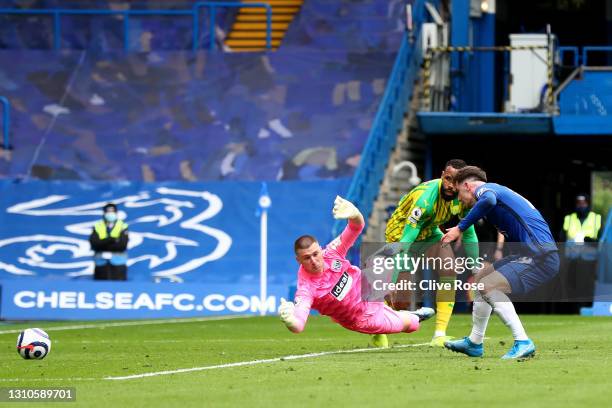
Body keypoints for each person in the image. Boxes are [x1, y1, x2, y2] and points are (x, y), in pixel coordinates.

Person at [279, 196, 434, 344]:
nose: (313, 260)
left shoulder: (332, 252)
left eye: (315, 254)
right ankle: (414, 315)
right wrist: (290, 321)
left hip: (368, 287)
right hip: (363, 318)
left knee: (386, 254)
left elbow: (356, 226)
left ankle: (386, 296)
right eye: (307, 258)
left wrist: (354, 213)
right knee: (410, 325)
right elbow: (298, 325)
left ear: (320, 249)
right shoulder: (306, 288)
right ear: (298, 260)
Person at [441, 166, 560, 359]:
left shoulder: (486, 191)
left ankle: (523, 341)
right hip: (528, 253)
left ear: (467, 186)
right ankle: (474, 342)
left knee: (488, 285)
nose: (458, 199)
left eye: (459, 193)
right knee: (480, 279)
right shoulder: (495, 193)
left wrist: (459, 228)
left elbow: (488, 200)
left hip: (541, 256)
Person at [382, 159, 479, 347]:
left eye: (456, 182)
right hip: (401, 235)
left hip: (429, 231)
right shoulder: (424, 200)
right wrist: (394, 279)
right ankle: (378, 326)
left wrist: (476, 271)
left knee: (449, 270)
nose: (450, 186)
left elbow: (469, 234)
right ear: (442, 175)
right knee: (401, 301)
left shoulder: (461, 200)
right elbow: (406, 241)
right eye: (448, 179)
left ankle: (440, 335)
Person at [560, 194, 602, 305]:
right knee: (572, 284)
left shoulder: (596, 218)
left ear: (588, 204)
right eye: (579, 203)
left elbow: (601, 240)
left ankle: (587, 306)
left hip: (589, 259)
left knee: (587, 284)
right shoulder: (569, 218)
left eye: (583, 203)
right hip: (572, 258)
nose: (581, 205)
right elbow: (562, 238)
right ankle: (574, 308)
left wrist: (591, 241)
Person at [89, 202, 129, 281]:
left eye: (112, 212)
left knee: (118, 287)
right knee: (100, 286)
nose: (110, 214)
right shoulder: (98, 226)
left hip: (118, 262)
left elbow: (122, 245)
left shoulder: (122, 226)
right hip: (101, 262)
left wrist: (103, 242)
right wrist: (112, 240)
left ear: (116, 213)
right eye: (108, 212)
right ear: (104, 213)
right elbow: (94, 244)